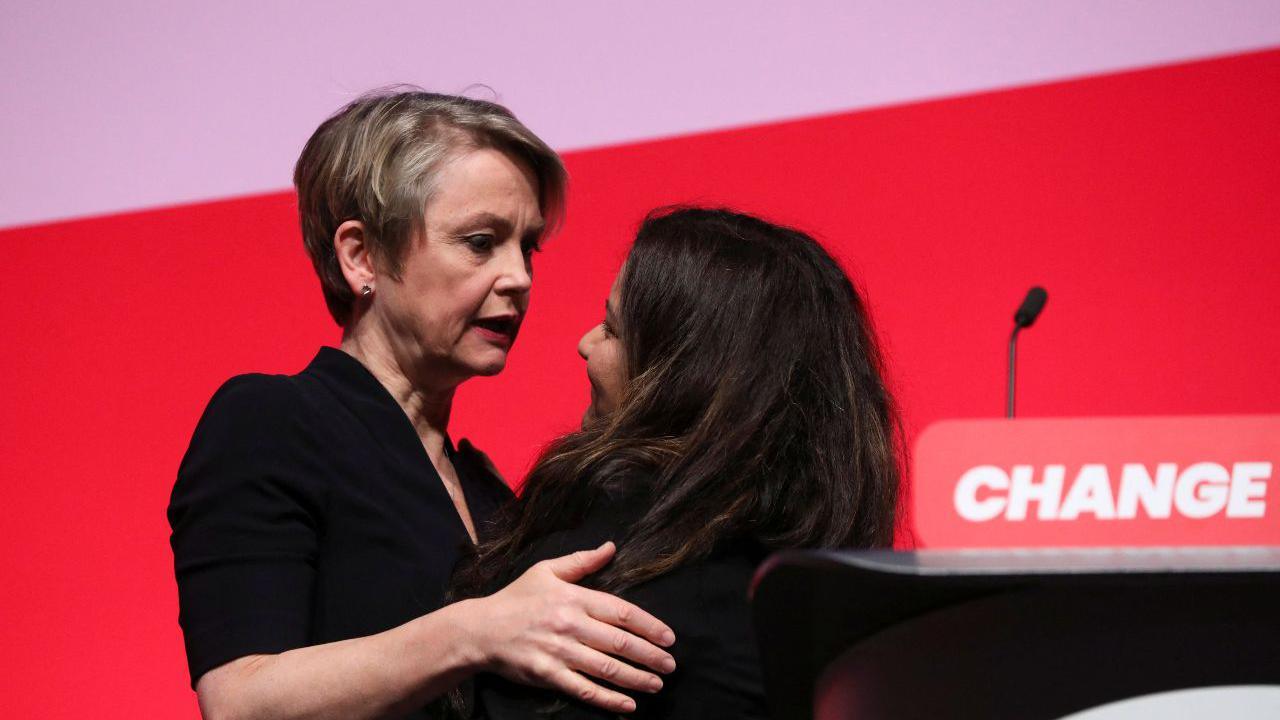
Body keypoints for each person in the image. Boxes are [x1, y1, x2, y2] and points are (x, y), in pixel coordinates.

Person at [167, 90, 677, 720]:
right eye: (481, 241)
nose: (518, 276)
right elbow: (241, 701)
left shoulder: (489, 493)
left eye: (528, 247)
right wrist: (476, 632)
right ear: (362, 257)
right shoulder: (271, 421)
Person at [455, 207, 903, 719]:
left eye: (612, 328)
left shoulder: (608, 550)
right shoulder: (806, 598)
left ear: (684, 376)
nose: (585, 345)